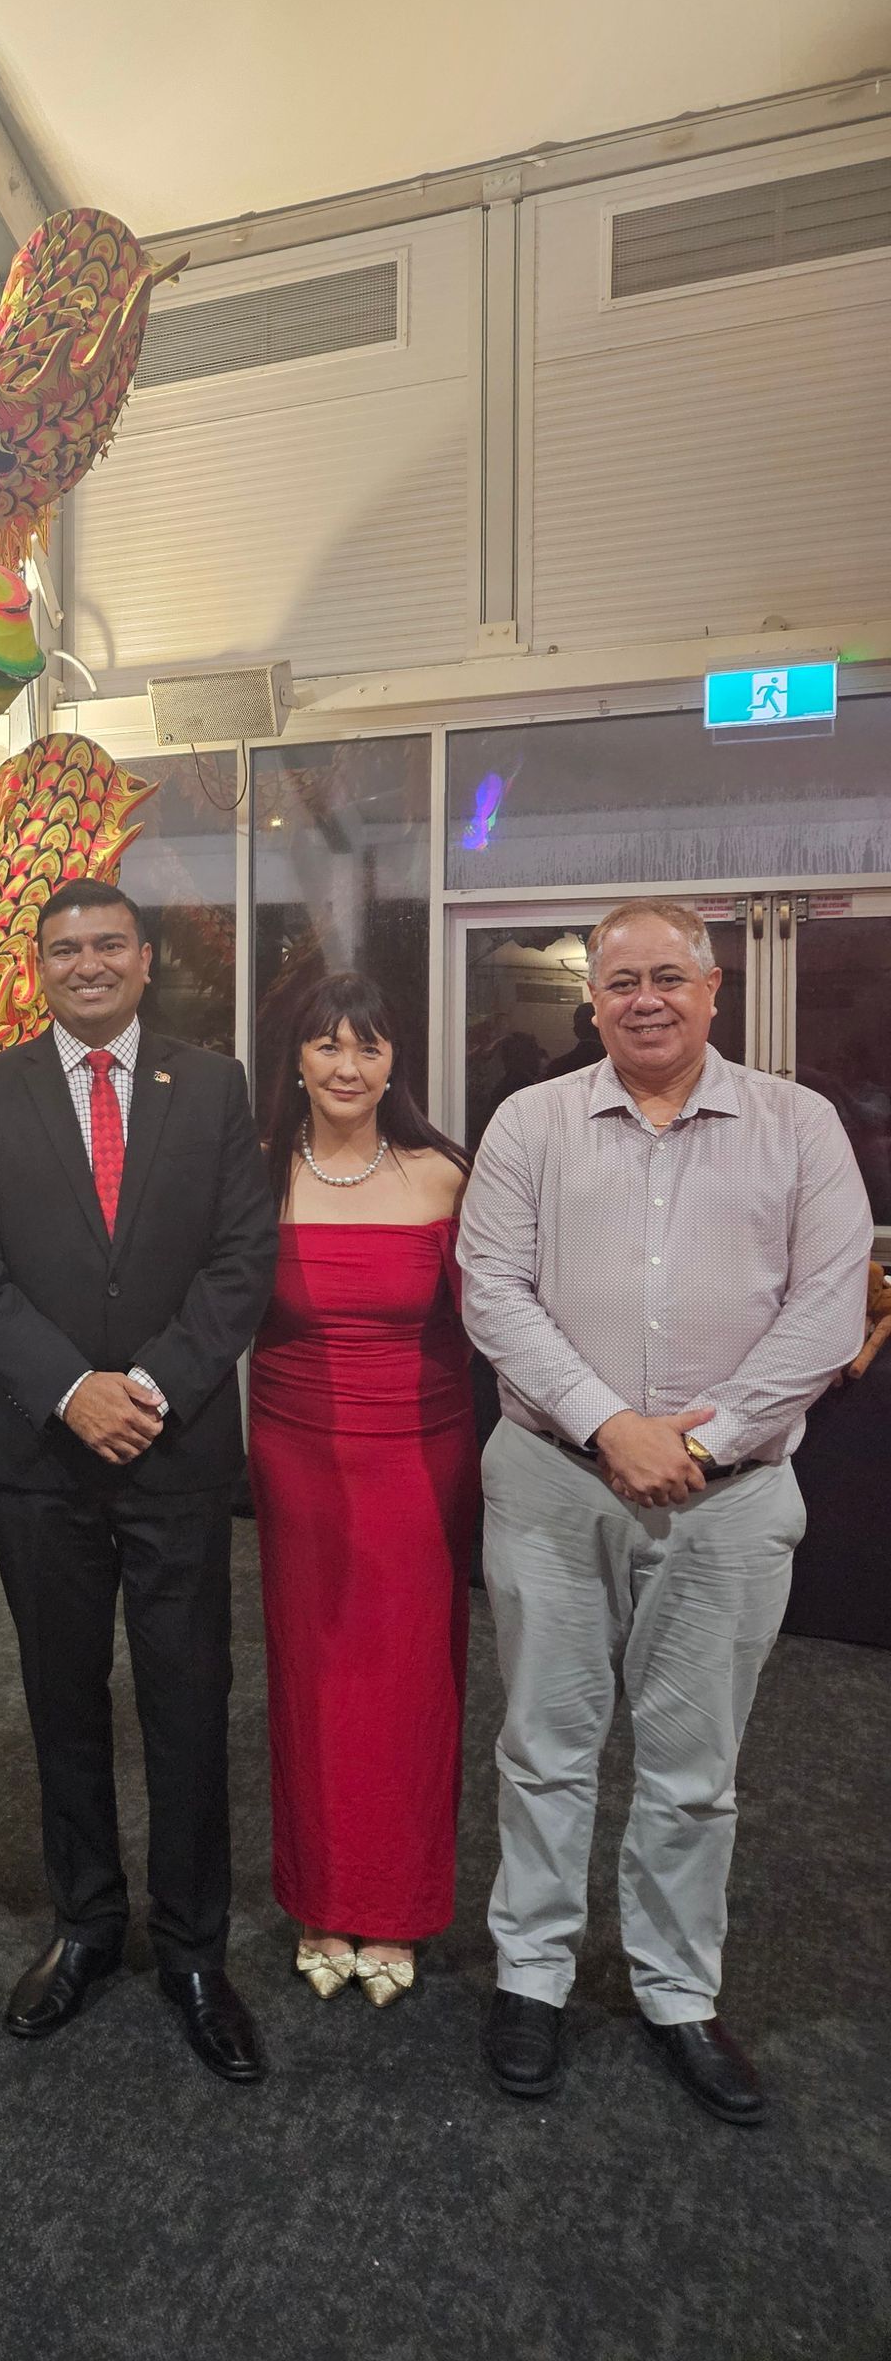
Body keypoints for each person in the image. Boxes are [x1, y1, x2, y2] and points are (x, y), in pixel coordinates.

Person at [458, 898, 872, 2124]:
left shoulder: (801, 1127)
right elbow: (492, 1289)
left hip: (730, 1504)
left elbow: (828, 1307)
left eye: (668, 978)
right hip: (549, 1480)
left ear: (714, 986)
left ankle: (677, 1989)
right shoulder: (530, 1121)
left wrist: (706, 1437)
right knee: (544, 1745)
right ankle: (530, 1971)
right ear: (592, 998)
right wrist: (609, 1424)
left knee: (695, 1771)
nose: (645, 999)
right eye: (621, 980)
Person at [0, 878, 277, 2083]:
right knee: (62, 1700)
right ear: (39, 966)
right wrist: (72, 1388)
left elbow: (244, 1259)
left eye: (107, 945)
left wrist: (157, 1388)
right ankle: (85, 1924)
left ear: (145, 960)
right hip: (39, 1456)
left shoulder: (215, 1085)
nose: (87, 964)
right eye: (64, 948)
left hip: (176, 1453)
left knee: (189, 1703)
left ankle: (192, 1948)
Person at [246, 973, 477, 2009]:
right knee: (313, 1677)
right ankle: (319, 1897)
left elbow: (500, 1323)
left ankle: (398, 1905)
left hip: (422, 1458)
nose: (348, 1066)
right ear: (294, 1058)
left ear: (397, 1063)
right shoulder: (252, 1177)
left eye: (369, 1047)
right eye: (326, 1045)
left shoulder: (445, 1176)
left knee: (413, 1680)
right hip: (295, 1458)